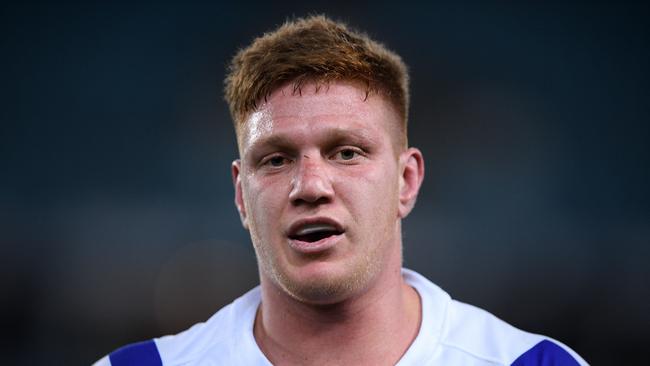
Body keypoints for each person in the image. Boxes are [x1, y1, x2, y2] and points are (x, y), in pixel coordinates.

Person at [95, 15, 588, 366]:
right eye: (276, 159)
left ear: (406, 181)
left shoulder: (532, 363)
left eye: (347, 152)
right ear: (242, 196)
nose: (310, 186)